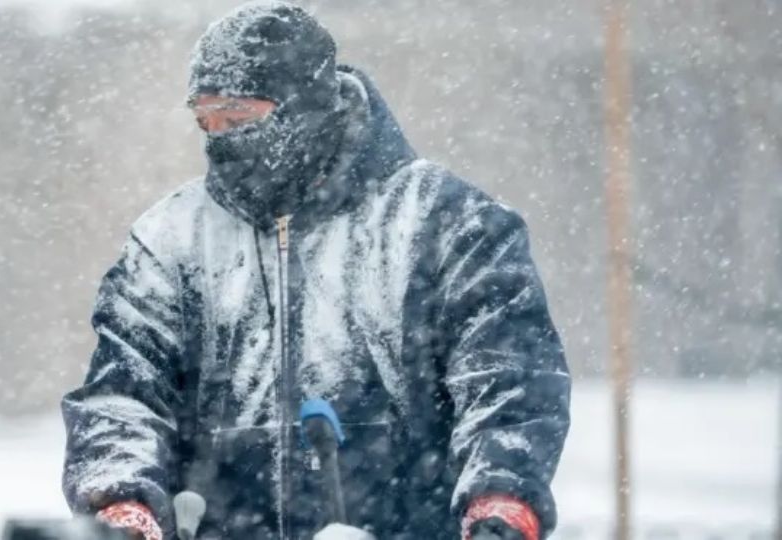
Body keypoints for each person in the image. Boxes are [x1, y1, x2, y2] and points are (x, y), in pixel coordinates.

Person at [61, 2, 571, 539]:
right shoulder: (170, 239)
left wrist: (500, 502)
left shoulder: (445, 223)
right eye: (206, 122)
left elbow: (508, 385)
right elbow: (123, 396)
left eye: (238, 119)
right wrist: (122, 503)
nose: (220, 141)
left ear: (304, 108)